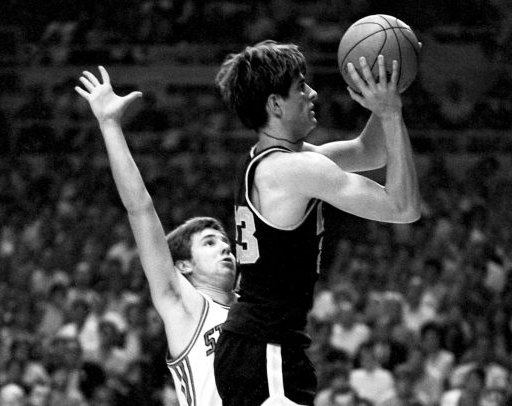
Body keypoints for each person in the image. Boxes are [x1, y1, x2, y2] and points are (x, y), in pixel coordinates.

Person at [214, 40, 420, 406]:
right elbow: (403, 207)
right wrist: (389, 114)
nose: (312, 93)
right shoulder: (293, 169)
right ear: (274, 104)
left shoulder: (279, 159)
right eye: (300, 87)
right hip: (265, 349)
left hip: (261, 345)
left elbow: (369, 152)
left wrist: (390, 88)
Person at [75, 66, 237, 406]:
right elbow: (140, 209)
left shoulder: (256, 305)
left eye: (224, 241)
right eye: (209, 243)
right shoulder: (185, 306)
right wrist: (110, 125)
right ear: (184, 267)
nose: (225, 247)